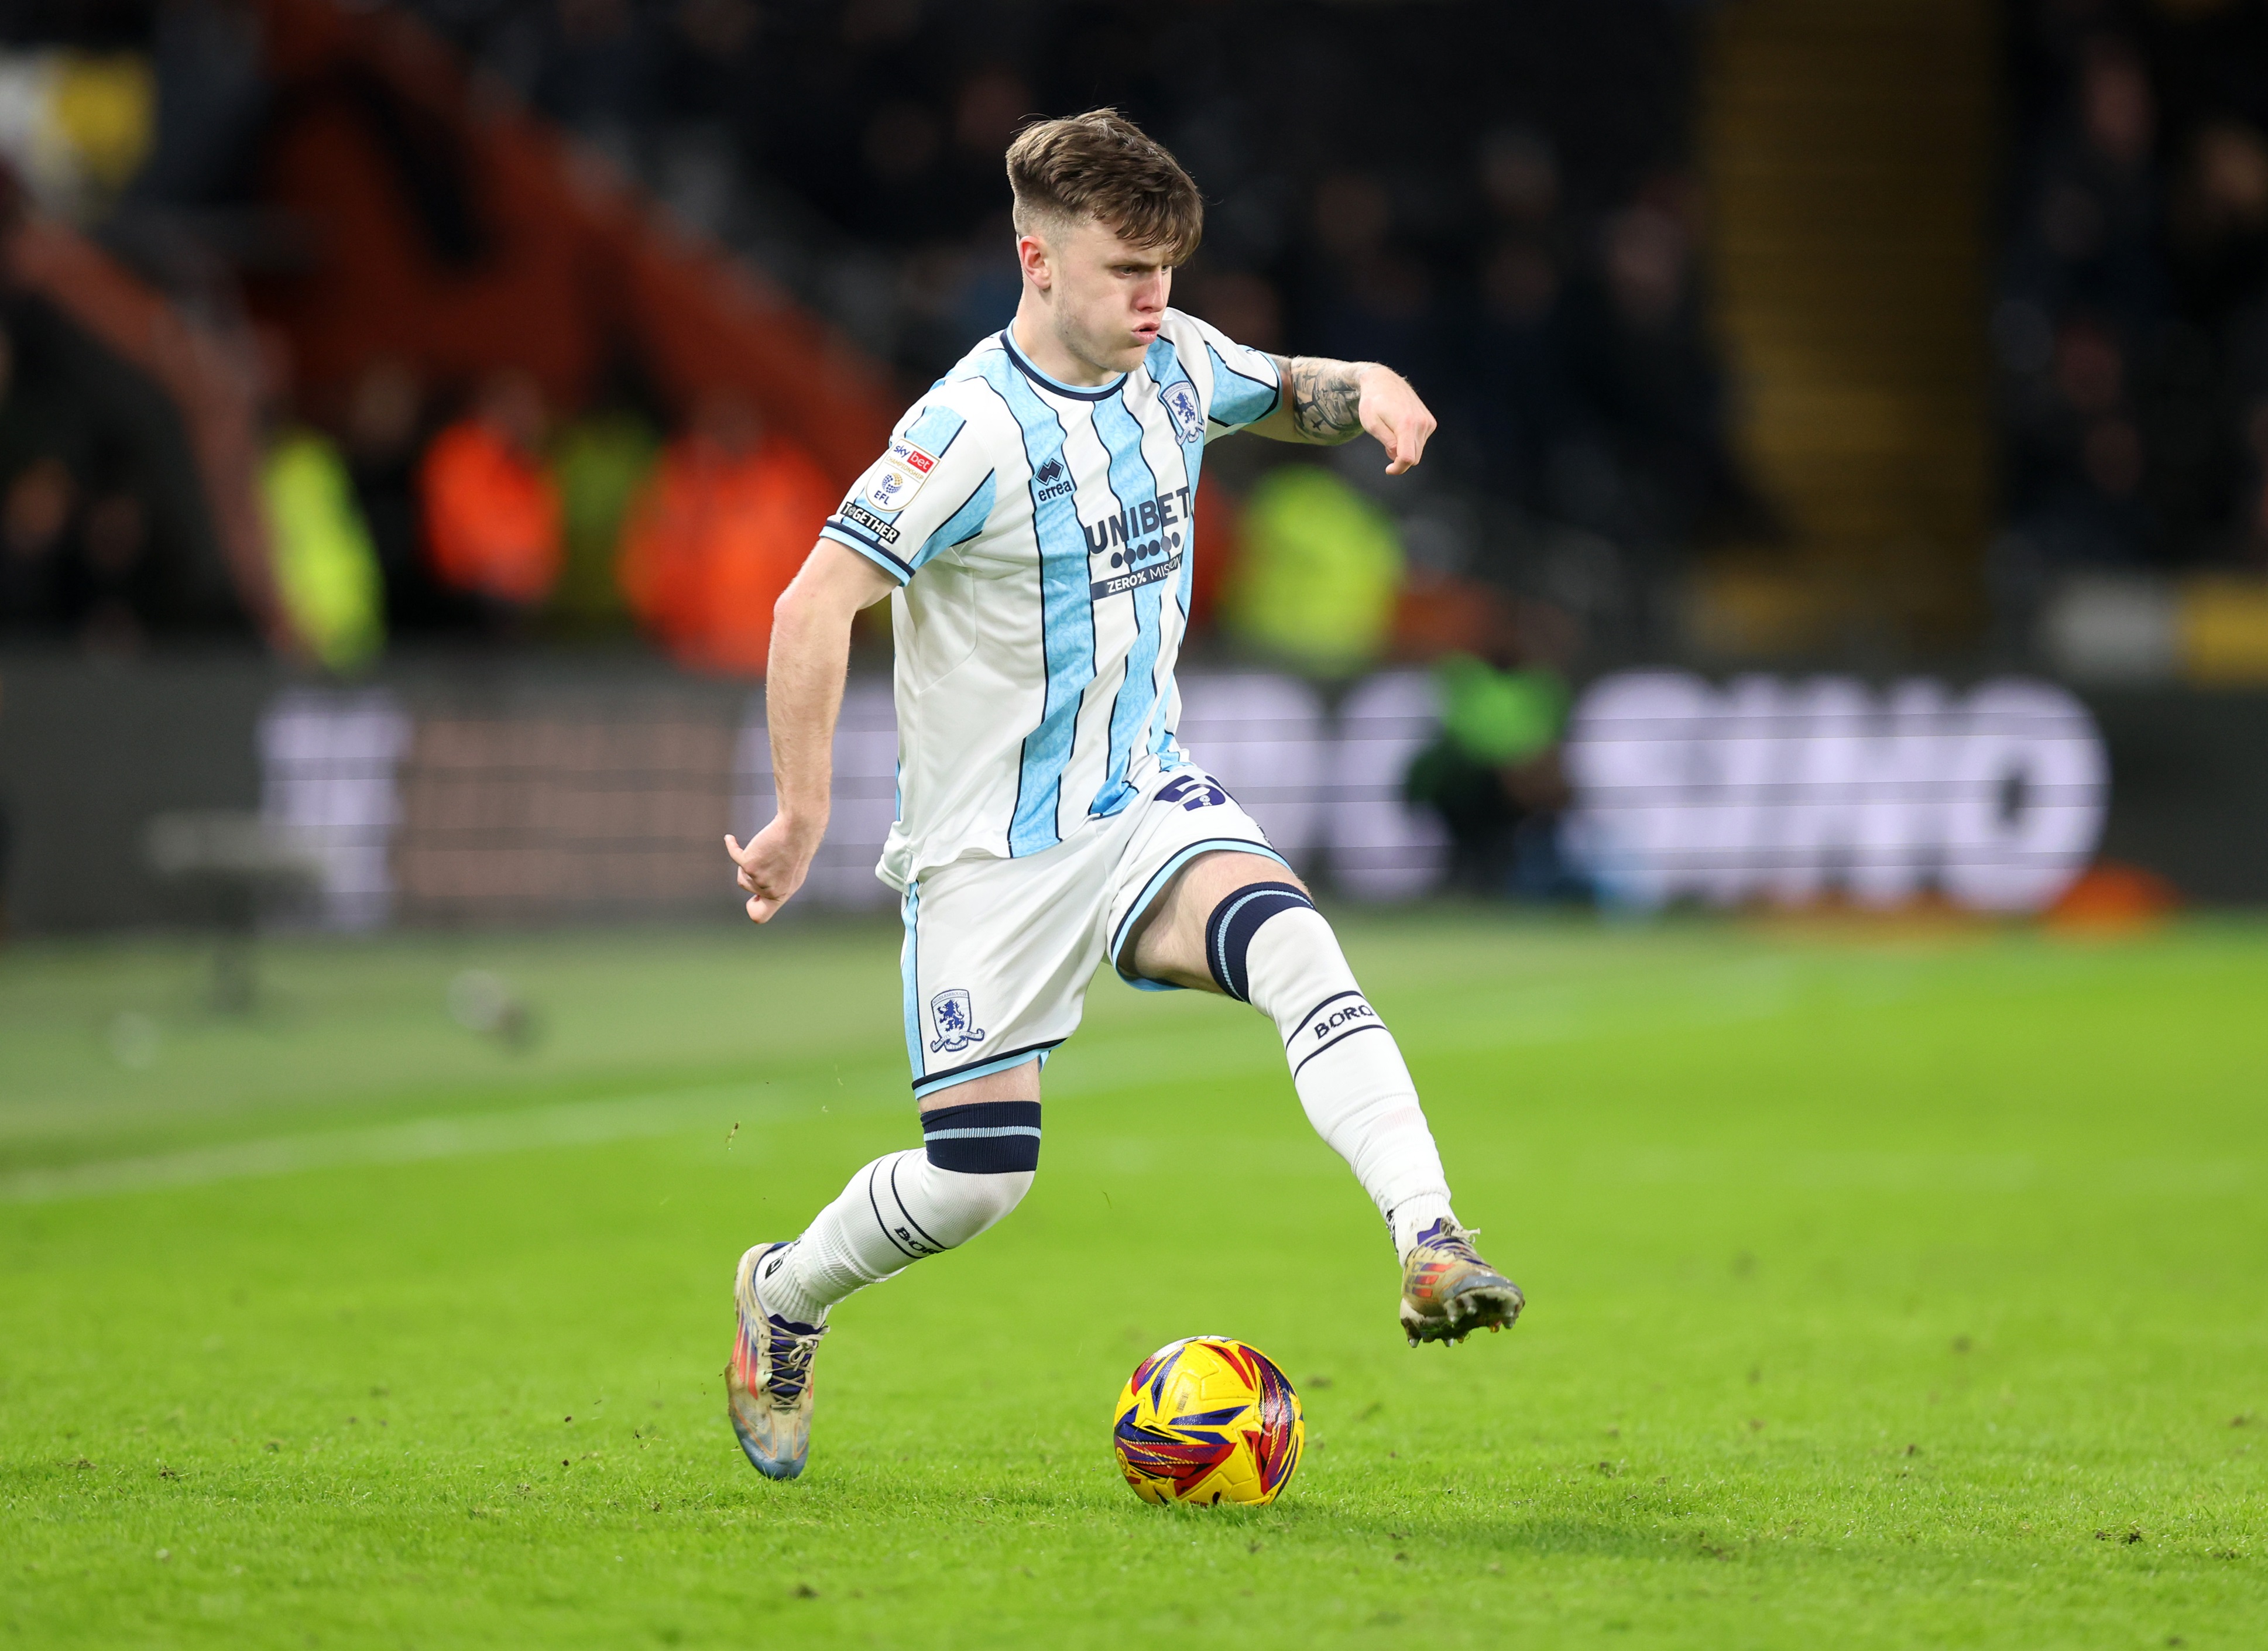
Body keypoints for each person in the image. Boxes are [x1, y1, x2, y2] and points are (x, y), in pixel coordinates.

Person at [719, 110, 1524, 1481]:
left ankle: (1430, 1238)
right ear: (1036, 260)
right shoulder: (964, 432)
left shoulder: (1178, 359)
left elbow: (1281, 385)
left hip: (1144, 797)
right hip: (992, 858)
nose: (1156, 299)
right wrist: (802, 815)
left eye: (1167, 268)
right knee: (980, 1179)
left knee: (1294, 945)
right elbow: (813, 605)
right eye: (1124, 273)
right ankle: (783, 1297)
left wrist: (1367, 380)